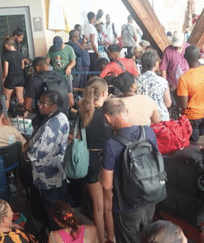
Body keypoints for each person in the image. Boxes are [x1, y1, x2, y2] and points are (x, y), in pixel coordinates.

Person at [100, 98, 158, 243]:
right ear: (126, 112)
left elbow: (106, 185)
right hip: (150, 198)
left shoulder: (111, 144)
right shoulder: (148, 131)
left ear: (107, 118)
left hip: (126, 206)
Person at [25, 90, 70, 229]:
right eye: (39, 102)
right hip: (59, 169)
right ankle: (66, 230)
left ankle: (55, 233)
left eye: (43, 103)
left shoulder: (51, 126)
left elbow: (35, 153)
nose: (39, 106)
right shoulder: (61, 116)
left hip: (47, 174)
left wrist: (26, 151)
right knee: (62, 205)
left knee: (51, 208)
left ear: (53, 106)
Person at [78, 77, 113, 243]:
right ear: (105, 93)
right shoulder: (109, 113)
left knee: (97, 207)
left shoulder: (83, 112)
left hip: (90, 161)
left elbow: (77, 137)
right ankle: (111, 238)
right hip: (108, 161)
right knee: (108, 206)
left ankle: (99, 239)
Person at [24, 57, 73, 129]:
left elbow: (27, 106)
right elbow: (71, 102)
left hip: (44, 122)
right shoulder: (61, 78)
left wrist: (38, 111)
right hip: (63, 120)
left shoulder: (34, 81)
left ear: (36, 68)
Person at [177, 45, 204, 142]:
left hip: (191, 117)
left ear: (185, 57)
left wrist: (176, 94)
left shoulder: (183, 79)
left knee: (193, 145)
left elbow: (183, 105)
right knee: (203, 140)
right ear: (200, 56)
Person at [136, 50, 171, 121]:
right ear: (155, 65)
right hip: (162, 118)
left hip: (144, 118)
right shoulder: (162, 81)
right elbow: (168, 103)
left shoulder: (135, 81)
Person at [2, 35, 25, 109]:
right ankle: (23, 114)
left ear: (7, 45)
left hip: (11, 78)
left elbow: (6, 71)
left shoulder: (6, 55)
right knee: (20, 97)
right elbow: (22, 67)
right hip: (20, 77)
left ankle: (6, 115)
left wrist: (3, 78)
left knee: (6, 97)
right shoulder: (19, 53)